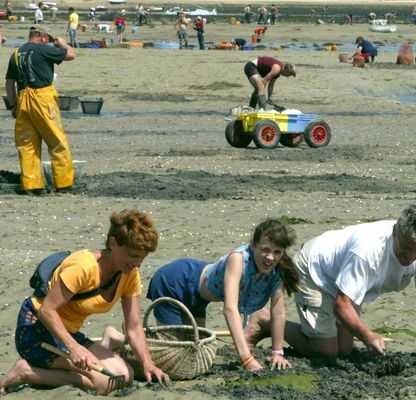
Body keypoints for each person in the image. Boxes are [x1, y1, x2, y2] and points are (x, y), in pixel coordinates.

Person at [243, 206, 416, 371]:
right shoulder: (369, 249)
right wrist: (368, 336)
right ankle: (265, 321)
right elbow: (342, 304)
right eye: (406, 248)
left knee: (345, 350)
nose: (411, 257)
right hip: (316, 271)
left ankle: (285, 326)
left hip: (350, 282)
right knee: (327, 353)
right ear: (395, 232)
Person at [0, 210, 169, 395]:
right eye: (133, 256)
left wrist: (148, 364)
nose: (138, 263)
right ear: (113, 243)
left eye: (142, 257)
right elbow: (47, 311)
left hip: (68, 333)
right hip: (38, 331)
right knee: (102, 384)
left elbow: (134, 326)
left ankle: (64, 363)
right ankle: (27, 372)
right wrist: (74, 348)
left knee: (124, 375)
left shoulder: (130, 274)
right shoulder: (83, 267)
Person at [146, 219, 298, 371]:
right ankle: (137, 341)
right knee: (174, 355)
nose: (270, 257)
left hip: (199, 299)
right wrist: (246, 359)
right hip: (174, 281)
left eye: (277, 252)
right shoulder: (238, 259)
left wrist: (278, 353)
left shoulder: (278, 271)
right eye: (265, 250)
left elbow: (278, 312)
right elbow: (230, 309)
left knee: (194, 352)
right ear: (253, 245)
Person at [4, 27, 75, 195]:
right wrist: (63, 43)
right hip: (43, 98)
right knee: (57, 141)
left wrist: (13, 106)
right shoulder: (44, 49)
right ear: (42, 37)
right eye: (48, 39)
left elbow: (9, 83)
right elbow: (71, 55)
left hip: (22, 99)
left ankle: (32, 185)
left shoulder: (15, 53)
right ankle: (63, 184)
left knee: (26, 144)